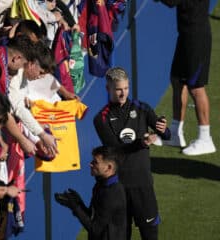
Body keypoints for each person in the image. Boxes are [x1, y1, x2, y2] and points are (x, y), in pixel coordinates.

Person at [93, 67, 170, 240]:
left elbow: (165, 133)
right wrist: (141, 143)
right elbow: (115, 149)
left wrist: (163, 130)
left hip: (143, 184)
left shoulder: (142, 108)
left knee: (150, 235)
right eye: (119, 89)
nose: (123, 93)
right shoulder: (101, 119)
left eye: (126, 88)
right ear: (108, 89)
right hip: (119, 189)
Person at [156, 0, 216, 156]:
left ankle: (205, 139)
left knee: (196, 87)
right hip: (186, 34)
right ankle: (175, 133)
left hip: (196, 38)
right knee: (177, 80)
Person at [55, 146, 126, 240]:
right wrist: (78, 203)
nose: (90, 164)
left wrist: (76, 207)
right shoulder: (101, 184)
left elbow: (95, 229)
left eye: (95, 162)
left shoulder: (112, 194)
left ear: (109, 167)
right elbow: (93, 217)